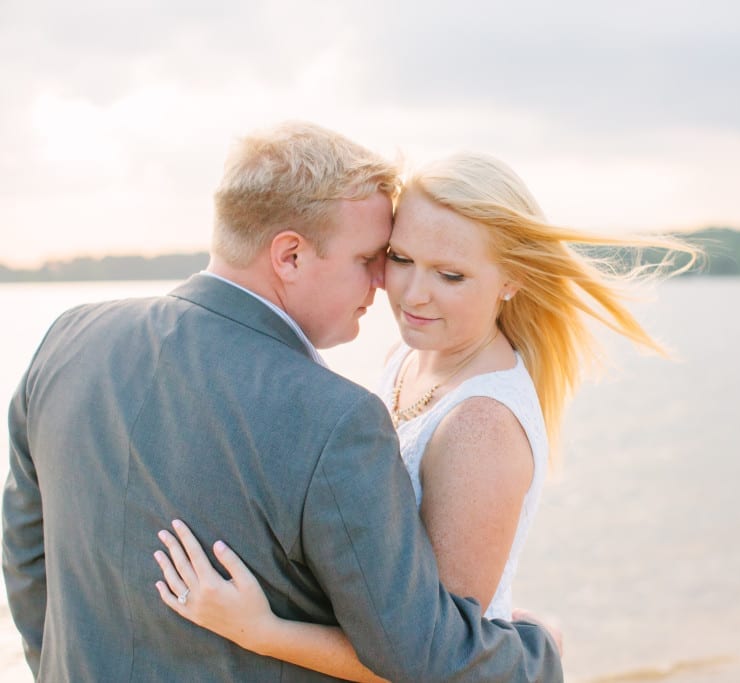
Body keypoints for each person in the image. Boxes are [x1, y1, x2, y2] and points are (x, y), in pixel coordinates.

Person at [2, 122, 563, 682]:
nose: (384, 286)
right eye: (378, 257)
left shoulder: (67, 338)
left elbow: (26, 560)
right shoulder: (334, 417)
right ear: (289, 256)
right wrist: (540, 651)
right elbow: (426, 655)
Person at [151, 151, 702, 679]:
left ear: (511, 280)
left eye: (451, 275)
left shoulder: (481, 426)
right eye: (400, 259)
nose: (413, 294)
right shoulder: (410, 356)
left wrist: (261, 630)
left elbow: (436, 661)